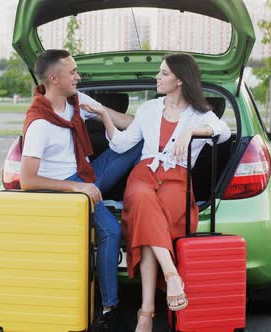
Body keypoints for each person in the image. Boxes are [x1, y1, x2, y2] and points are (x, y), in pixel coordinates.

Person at [85, 53, 231, 332]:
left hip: (177, 181)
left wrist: (192, 133)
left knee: (146, 223)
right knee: (141, 199)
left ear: (179, 79)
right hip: (143, 176)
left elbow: (222, 131)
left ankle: (147, 312)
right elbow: (122, 144)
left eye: (163, 73)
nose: (157, 78)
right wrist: (104, 115)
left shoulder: (201, 114)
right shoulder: (149, 108)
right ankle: (172, 274)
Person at [20, 49, 141, 331]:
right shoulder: (39, 124)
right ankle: (109, 309)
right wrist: (78, 187)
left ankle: (138, 196)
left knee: (136, 142)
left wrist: (166, 125)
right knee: (111, 231)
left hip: (87, 175)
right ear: (53, 78)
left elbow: (125, 122)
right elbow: (27, 180)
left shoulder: (77, 101)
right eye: (73, 72)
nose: (79, 76)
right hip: (67, 189)